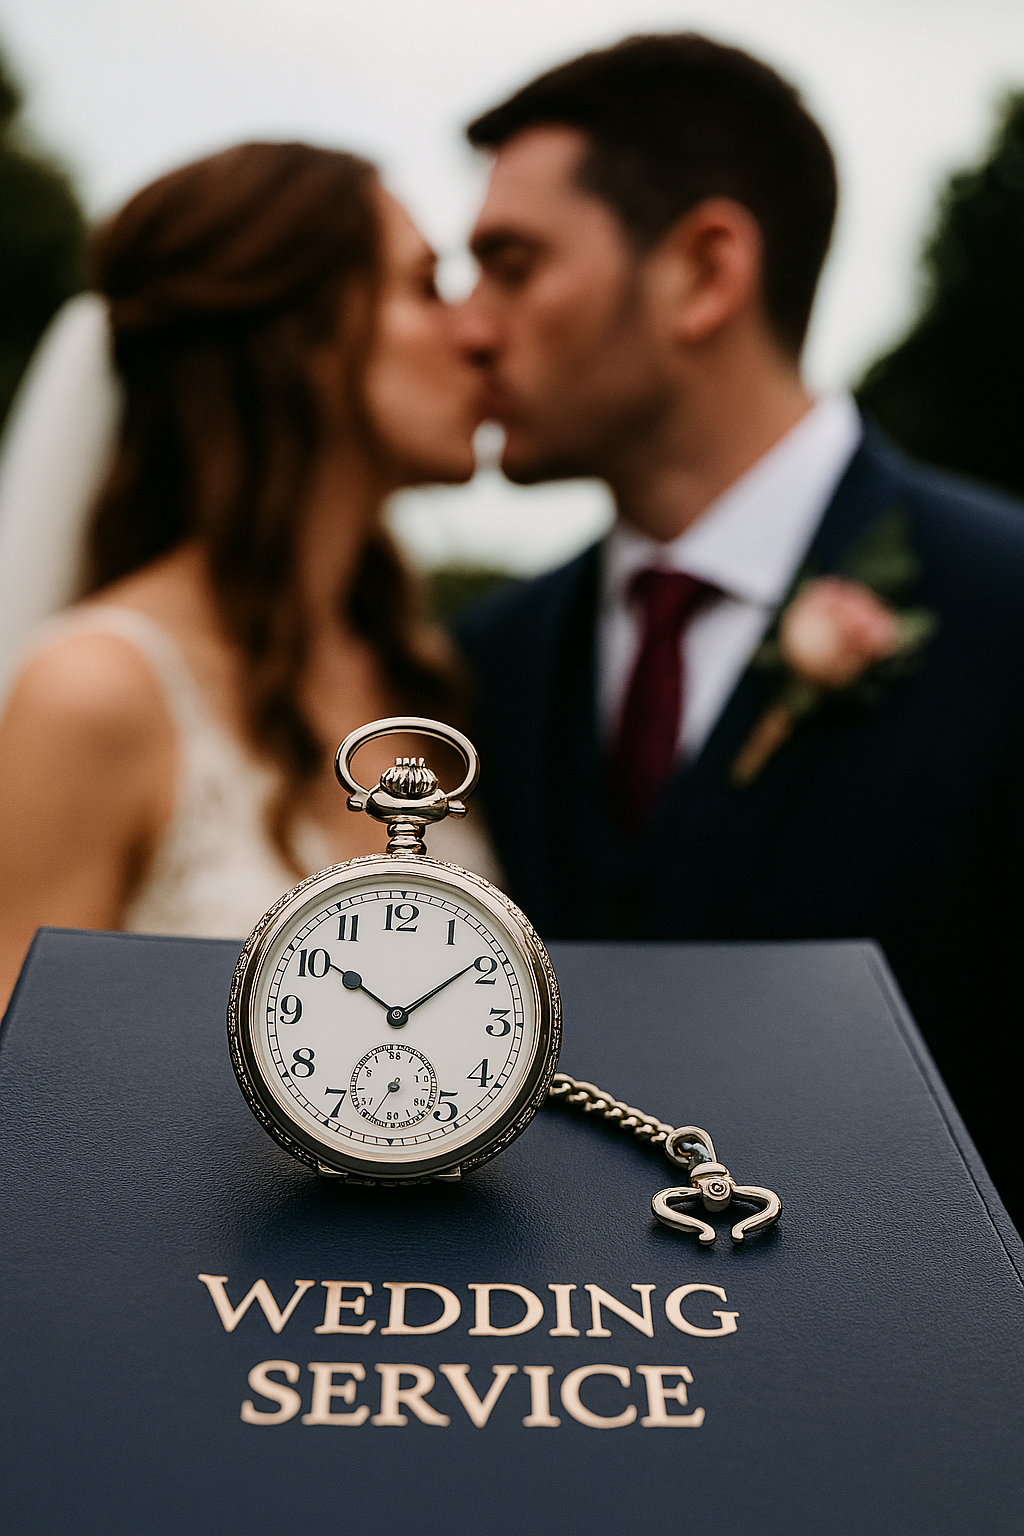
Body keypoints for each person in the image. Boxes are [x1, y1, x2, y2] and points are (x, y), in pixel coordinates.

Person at [453, 34, 1024, 1224]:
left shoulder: (1004, 600)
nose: (469, 328)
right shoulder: (489, 655)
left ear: (704, 272)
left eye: (510, 265)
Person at [0, 141, 496, 1005]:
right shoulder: (92, 694)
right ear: (302, 336)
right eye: (424, 287)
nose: (477, 333)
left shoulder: (419, 673)